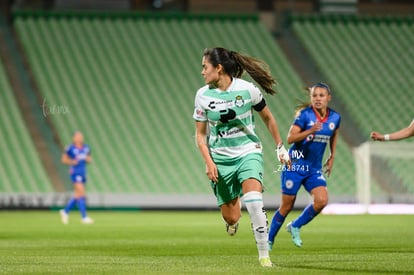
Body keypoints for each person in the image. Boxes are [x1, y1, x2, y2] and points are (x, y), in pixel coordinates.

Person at [193, 47, 290, 267]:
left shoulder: (248, 90)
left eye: (204, 67)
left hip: (248, 151)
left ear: (218, 68)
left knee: (255, 202)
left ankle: (264, 256)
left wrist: (279, 147)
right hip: (220, 159)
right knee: (232, 217)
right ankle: (232, 215)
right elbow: (200, 135)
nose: (202, 72)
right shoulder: (202, 95)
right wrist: (209, 162)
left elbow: (268, 118)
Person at [268, 82, 341, 249]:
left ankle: (295, 225)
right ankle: (269, 240)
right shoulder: (305, 115)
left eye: (321, 95)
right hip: (295, 166)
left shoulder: (335, 118)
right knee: (286, 206)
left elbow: (334, 132)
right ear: (311, 97)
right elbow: (290, 139)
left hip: (313, 168)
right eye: (314, 95)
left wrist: (332, 155)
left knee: (322, 200)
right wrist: (310, 131)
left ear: (328, 98)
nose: (317, 99)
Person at [60, 131, 94, 224]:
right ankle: (84, 217)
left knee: (77, 195)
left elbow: (90, 159)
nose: (80, 138)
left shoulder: (86, 148)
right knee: (82, 193)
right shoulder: (70, 148)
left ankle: (65, 211)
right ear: (74, 138)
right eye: (78, 136)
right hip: (75, 172)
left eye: (81, 136)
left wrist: (88, 159)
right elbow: (63, 160)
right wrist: (72, 162)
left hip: (83, 173)